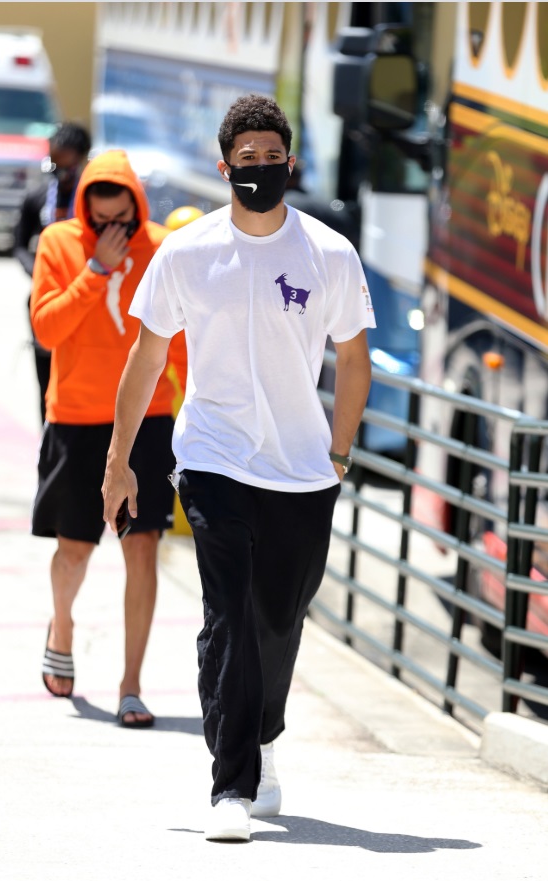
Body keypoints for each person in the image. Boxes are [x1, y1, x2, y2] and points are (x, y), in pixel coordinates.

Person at [102, 94, 375, 837]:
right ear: (225, 168)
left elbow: (353, 356)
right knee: (227, 616)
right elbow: (147, 353)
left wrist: (340, 450)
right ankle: (231, 786)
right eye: (245, 160)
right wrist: (118, 460)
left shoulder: (327, 252)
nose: (259, 169)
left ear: (291, 162)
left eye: (271, 157)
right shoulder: (189, 254)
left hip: (301, 469)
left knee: (276, 620)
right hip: (213, 459)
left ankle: (263, 735)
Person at [30, 149, 186, 728]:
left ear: (136, 207)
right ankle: (62, 626)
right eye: (101, 220)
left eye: (123, 219)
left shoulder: (162, 248)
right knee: (74, 548)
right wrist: (94, 270)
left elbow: (182, 338)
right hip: (76, 415)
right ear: (85, 211)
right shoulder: (60, 244)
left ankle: (131, 685)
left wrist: (194, 403)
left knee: (141, 545)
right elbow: (47, 330)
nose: (114, 231)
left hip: (148, 418)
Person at [14, 122, 91, 423]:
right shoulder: (37, 197)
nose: (60, 169)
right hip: (47, 297)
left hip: (87, 294)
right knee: (46, 377)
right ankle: (46, 432)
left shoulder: (94, 198)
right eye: (55, 160)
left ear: (83, 157)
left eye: (67, 161)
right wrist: (39, 272)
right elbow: (19, 244)